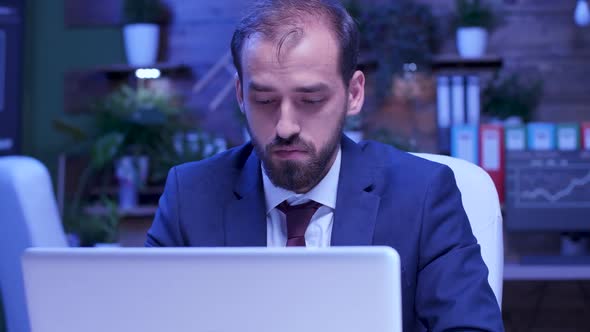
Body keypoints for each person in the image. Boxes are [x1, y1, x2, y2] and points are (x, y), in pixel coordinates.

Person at [146, 0, 504, 330]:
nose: (286, 126)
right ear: (240, 94)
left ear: (354, 94)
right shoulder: (190, 197)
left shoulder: (422, 194)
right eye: (265, 100)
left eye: (311, 100)